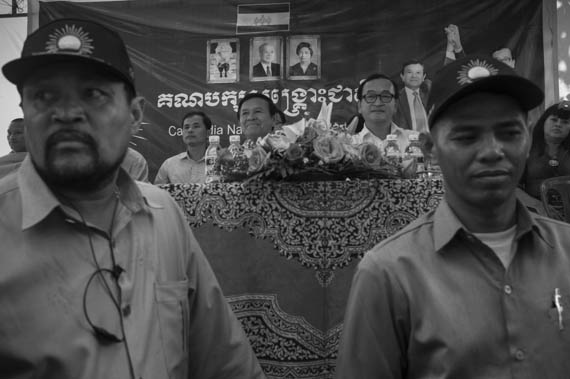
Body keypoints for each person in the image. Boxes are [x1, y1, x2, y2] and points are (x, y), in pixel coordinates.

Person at [0, 18, 265, 379]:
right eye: (44, 96)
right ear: (24, 112)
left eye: (94, 94)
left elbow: (223, 359)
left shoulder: (162, 214)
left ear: (135, 114)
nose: (66, 113)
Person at [336, 54, 570, 378]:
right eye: (466, 137)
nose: (492, 151)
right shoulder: (388, 273)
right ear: (430, 149)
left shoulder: (566, 249)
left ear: (529, 139)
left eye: (509, 133)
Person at [351, 73, 412, 153]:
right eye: (371, 96)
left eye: (385, 96)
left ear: (395, 105)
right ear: (359, 106)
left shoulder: (415, 141)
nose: (378, 103)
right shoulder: (349, 145)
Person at [522, 101, 570, 198]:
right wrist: (534, 207)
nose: (558, 124)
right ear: (544, 122)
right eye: (554, 120)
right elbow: (515, 186)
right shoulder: (526, 148)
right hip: (533, 208)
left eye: (565, 122)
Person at [154, 111, 211, 184]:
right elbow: (158, 193)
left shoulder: (219, 163)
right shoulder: (169, 164)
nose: (190, 130)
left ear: (208, 133)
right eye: (186, 127)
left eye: (196, 126)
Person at [393, 60, 429, 132]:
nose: (414, 76)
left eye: (418, 73)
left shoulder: (429, 97)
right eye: (409, 72)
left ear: (423, 77)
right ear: (402, 76)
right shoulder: (395, 100)